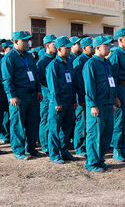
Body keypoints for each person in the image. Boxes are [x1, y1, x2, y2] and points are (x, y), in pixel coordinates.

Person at [2, 31, 43, 160]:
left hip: (32, 95)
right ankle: (19, 150)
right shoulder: (9, 58)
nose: (27, 43)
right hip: (19, 95)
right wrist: (11, 95)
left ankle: (31, 148)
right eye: (24, 41)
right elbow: (7, 79)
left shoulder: (29, 56)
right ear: (15, 42)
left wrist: (38, 90)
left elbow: (35, 75)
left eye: (28, 40)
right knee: (18, 124)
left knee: (33, 123)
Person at [83, 36, 118, 172]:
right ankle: (92, 163)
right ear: (97, 48)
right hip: (97, 105)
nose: (109, 48)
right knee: (95, 134)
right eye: (106, 46)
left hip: (108, 103)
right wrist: (92, 105)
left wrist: (113, 101)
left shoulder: (107, 63)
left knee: (106, 133)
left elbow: (111, 83)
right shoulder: (91, 64)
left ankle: (100, 159)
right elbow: (89, 87)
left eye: (109, 46)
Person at [46, 36, 78, 164]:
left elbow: (73, 82)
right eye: (67, 48)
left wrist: (74, 99)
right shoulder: (53, 65)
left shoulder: (69, 62)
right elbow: (53, 86)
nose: (70, 50)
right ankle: (54, 154)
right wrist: (57, 102)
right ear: (59, 49)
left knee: (66, 128)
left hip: (69, 100)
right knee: (55, 128)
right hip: (58, 101)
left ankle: (64, 151)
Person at [108, 28, 125, 162]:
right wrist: (115, 96)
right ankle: (117, 149)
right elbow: (112, 78)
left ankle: (124, 148)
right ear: (120, 40)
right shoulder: (116, 55)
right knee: (119, 122)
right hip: (120, 89)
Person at [72, 37, 94, 157]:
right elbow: (78, 82)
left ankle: (87, 145)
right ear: (84, 48)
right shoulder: (79, 61)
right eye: (91, 47)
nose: (93, 49)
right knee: (81, 122)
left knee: (88, 123)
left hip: (89, 96)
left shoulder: (92, 60)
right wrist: (81, 98)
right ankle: (79, 147)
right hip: (81, 96)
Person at [36, 34, 56, 155]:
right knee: (45, 119)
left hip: (54, 93)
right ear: (47, 45)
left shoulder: (55, 59)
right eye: (54, 44)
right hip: (46, 93)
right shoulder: (42, 61)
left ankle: (52, 142)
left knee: (53, 119)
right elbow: (40, 78)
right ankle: (45, 144)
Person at [0, 40, 13, 143]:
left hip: (6, 90)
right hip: (0, 91)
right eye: (10, 48)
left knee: (8, 114)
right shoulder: (5, 59)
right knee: (4, 114)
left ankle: (7, 133)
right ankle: (4, 134)